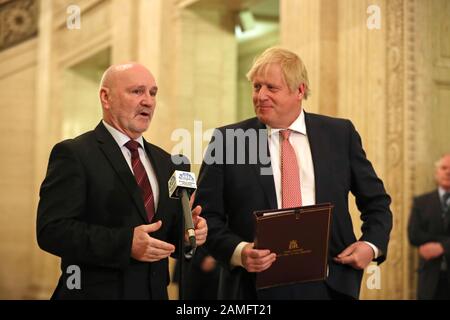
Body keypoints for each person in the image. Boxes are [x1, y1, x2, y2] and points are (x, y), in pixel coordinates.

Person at [194, 47, 392, 299]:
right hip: (253, 287)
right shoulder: (228, 140)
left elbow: (376, 202)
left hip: (331, 284)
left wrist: (370, 245)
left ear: (299, 90)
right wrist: (239, 252)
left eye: (271, 88)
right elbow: (205, 216)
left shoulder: (340, 134)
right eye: (256, 87)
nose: (260, 96)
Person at [36, 63, 207, 300]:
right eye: (137, 91)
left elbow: (165, 237)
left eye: (153, 93)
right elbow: (51, 231)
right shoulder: (74, 154)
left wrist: (191, 233)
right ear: (106, 97)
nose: (148, 101)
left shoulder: (171, 163)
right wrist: (125, 244)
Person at [408, 154, 450, 300]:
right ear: (437, 172)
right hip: (429, 279)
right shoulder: (421, 202)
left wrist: (442, 247)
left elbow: (425, 237)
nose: (448, 172)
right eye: (444, 168)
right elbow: (414, 236)